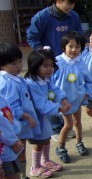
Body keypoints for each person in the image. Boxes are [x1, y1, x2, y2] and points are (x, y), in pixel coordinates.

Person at [26, 0, 82, 142]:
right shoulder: (42, 17)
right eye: (69, 3)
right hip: (48, 63)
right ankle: (55, 128)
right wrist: (42, 51)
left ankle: (64, 124)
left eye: (73, 3)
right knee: (49, 93)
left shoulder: (73, 16)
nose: (71, 7)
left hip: (67, 62)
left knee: (63, 89)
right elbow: (32, 36)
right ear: (58, 1)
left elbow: (78, 37)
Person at [0, 42, 41, 179]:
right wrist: (26, 115)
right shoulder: (6, 82)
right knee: (16, 153)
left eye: (19, 61)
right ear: (2, 65)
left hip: (20, 125)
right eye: (13, 63)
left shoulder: (16, 78)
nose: (18, 66)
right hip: (15, 126)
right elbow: (9, 107)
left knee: (21, 152)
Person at [25, 49, 71, 178]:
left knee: (46, 139)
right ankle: (35, 167)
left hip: (44, 117)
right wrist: (59, 108)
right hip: (36, 118)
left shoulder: (45, 79)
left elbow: (55, 89)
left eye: (51, 66)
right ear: (35, 66)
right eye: (45, 66)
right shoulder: (32, 83)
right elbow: (41, 104)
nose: (50, 69)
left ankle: (45, 160)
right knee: (38, 142)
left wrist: (63, 98)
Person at [52, 31, 92, 163]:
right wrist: (54, 99)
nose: (74, 50)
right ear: (64, 46)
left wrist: (86, 94)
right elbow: (50, 83)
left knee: (77, 122)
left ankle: (79, 142)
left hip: (78, 99)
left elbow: (89, 81)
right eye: (70, 46)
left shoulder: (81, 63)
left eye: (77, 47)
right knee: (68, 125)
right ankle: (61, 147)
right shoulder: (57, 62)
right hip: (64, 102)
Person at [0, 95, 38, 179]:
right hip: (5, 151)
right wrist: (13, 141)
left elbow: (9, 118)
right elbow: (2, 125)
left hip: (6, 149)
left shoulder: (2, 98)